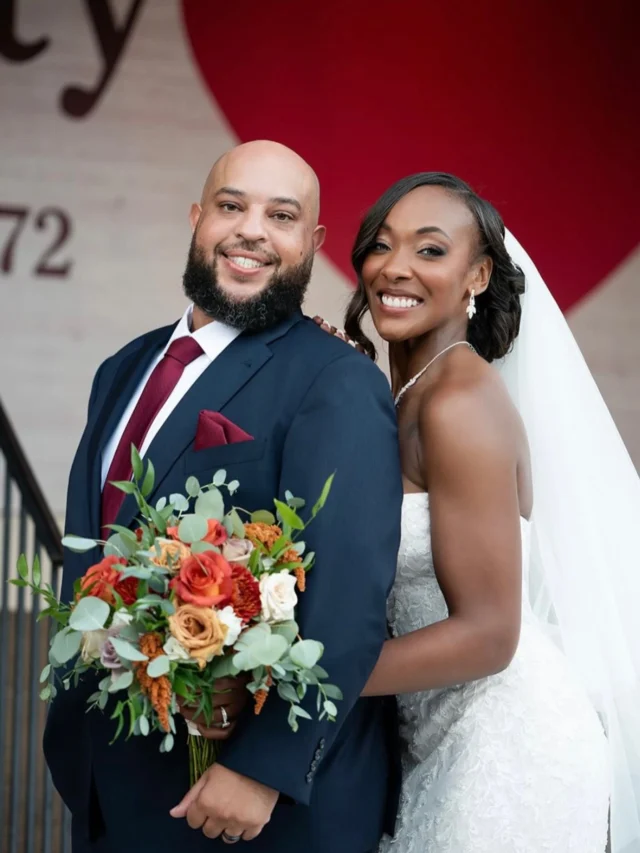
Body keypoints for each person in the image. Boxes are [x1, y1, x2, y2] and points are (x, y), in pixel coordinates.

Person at [44, 140, 403, 853]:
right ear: (197, 216)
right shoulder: (121, 368)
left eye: (282, 215)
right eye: (232, 206)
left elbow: (349, 595)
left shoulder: (336, 381)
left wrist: (264, 768)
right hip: (110, 779)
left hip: (245, 807)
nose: (252, 231)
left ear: (313, 242)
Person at [342, 172, 617, 852]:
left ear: (478, 275)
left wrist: (307, 675)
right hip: (439, 736)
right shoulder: (408, 393)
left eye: (431, 250)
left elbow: (491, 635)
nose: (395, 266)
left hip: (509, 749)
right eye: (381, 244)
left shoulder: (458, 403)